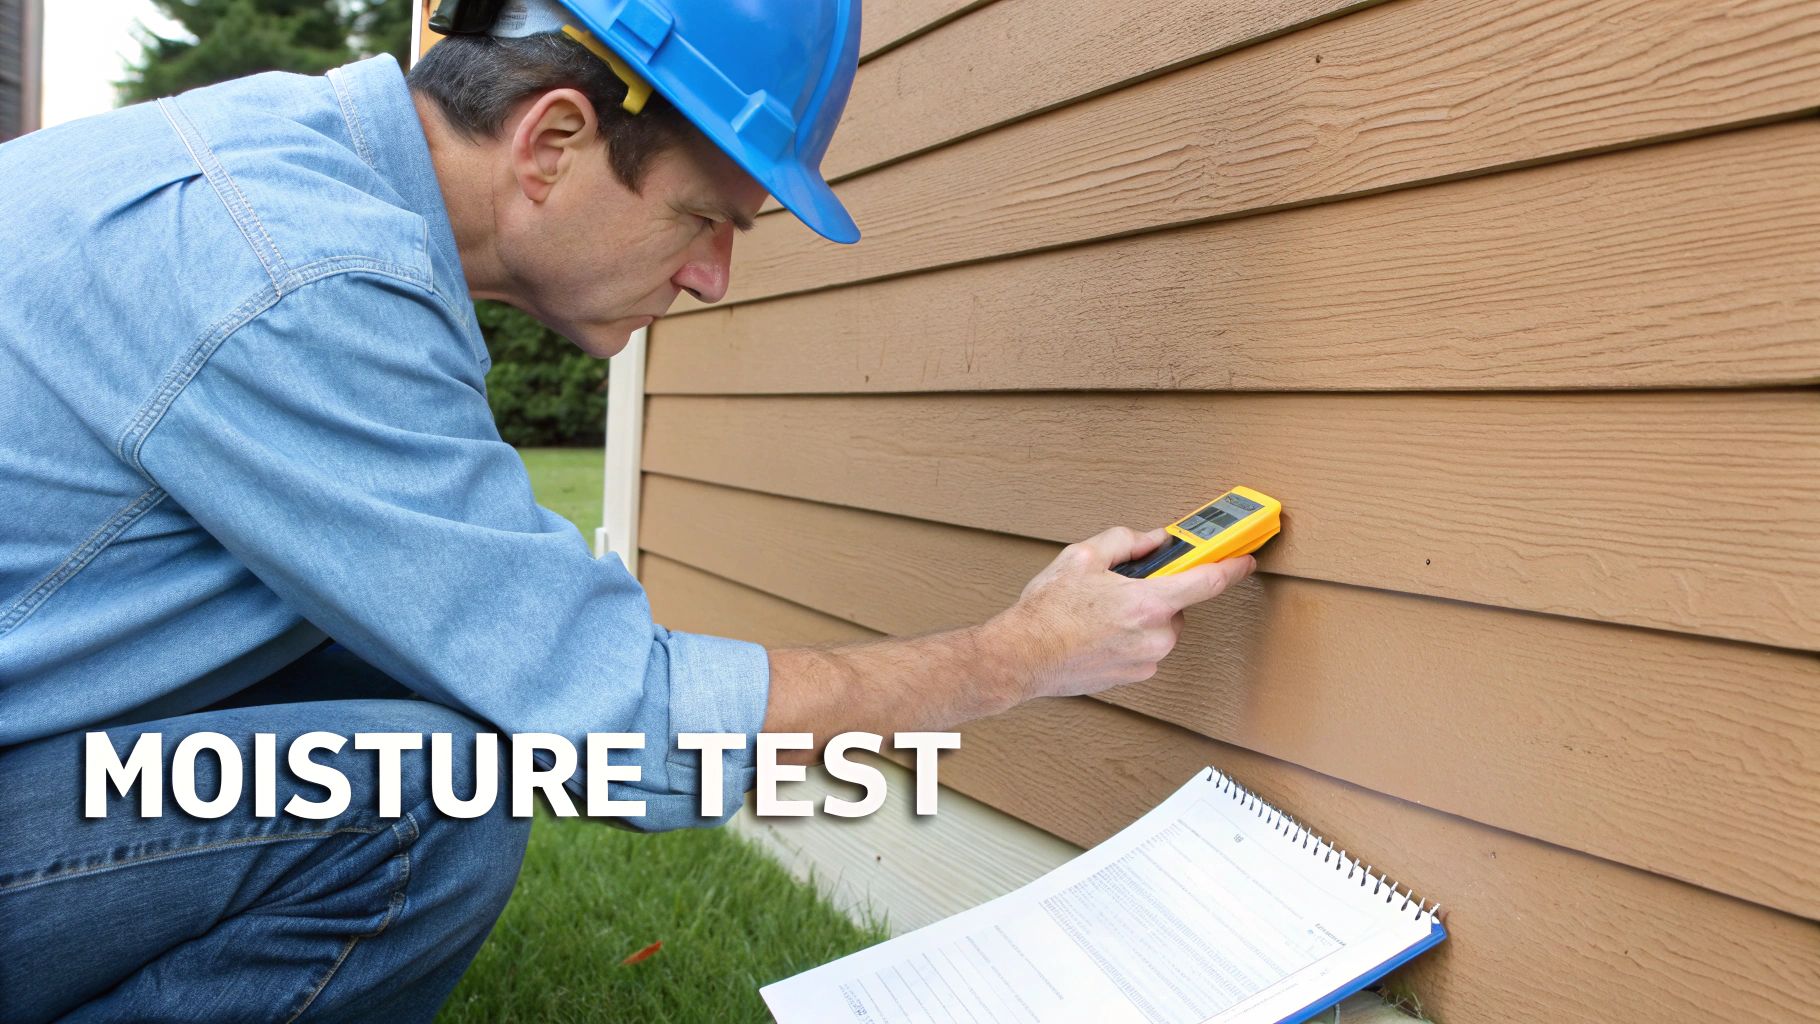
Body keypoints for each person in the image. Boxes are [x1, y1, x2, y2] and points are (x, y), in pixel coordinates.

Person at [0, 0, 1256, 1019]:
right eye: (704, 219)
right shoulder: (302, 274)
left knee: (434, 686)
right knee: (421, 798)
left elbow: (497, 650)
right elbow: (620, 716)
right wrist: (1012, 658)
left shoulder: (277, 167)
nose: (712, 278)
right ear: (551, 140)